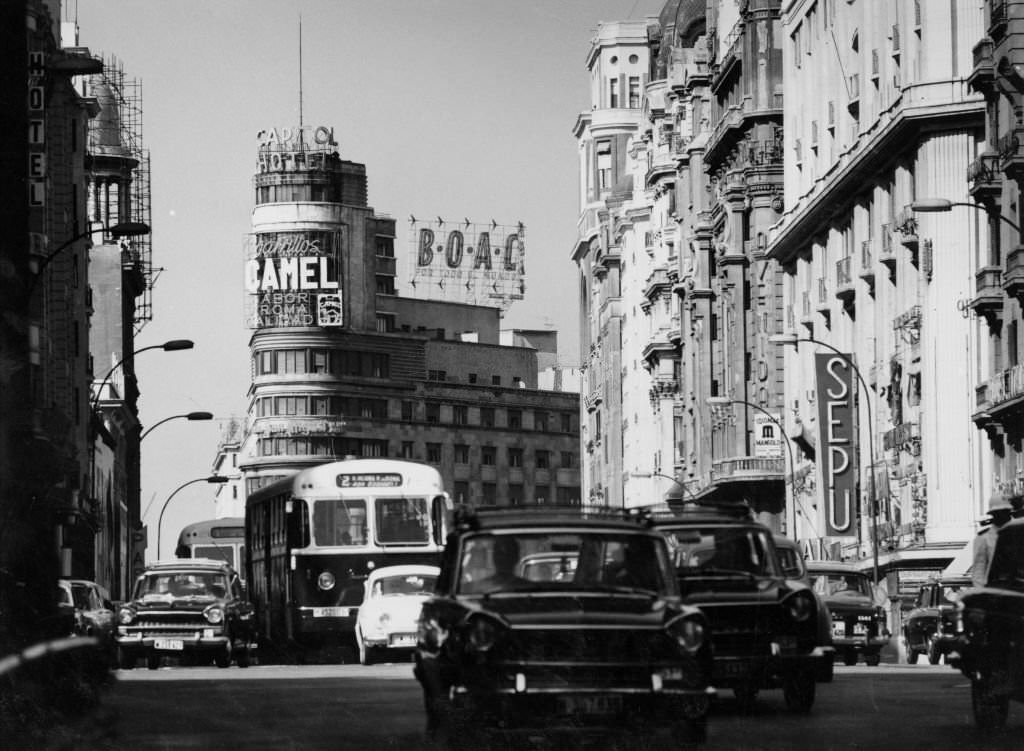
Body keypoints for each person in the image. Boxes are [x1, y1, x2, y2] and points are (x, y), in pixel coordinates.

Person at [972, 491, 1014, 587]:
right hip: (995, 589)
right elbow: (979, 571)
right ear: (993, 514)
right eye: (1000, 513)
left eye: (1006, 512)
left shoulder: (1017, 534)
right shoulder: (984, 539)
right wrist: (985, 595)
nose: (1004, 516)